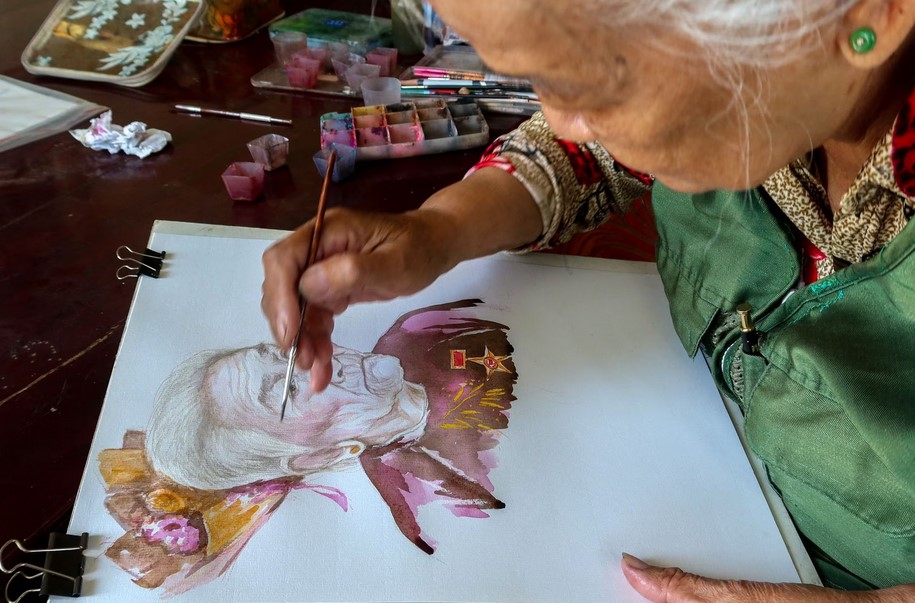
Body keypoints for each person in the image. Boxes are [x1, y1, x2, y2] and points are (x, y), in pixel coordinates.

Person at [261, 0, 915, 600]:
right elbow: (587, 151)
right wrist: (440, 232)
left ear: (869, 18)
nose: (561, 119)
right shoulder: (787, 68)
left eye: (592, 83)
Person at [98, 301, 517, 593]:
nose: (306, 360)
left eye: (278, 355)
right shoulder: (428, 496)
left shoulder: (419, 330)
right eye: (287, 389)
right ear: (320, 456)